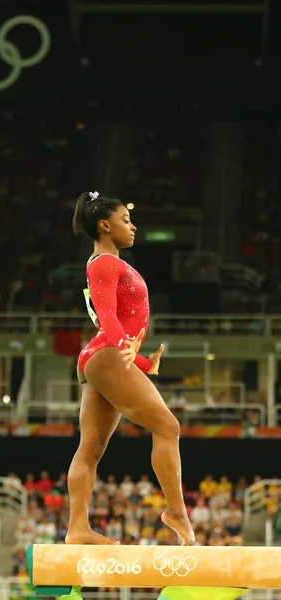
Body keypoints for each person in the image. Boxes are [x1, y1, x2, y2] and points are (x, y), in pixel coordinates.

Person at [65, 190, 194, 546]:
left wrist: (139, 359)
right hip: (107, 353)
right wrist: (128, 351)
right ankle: (177, 512)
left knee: (90, 448)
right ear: (105, 226)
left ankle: (77, 529)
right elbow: (107, 316)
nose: (133, 226)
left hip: (101, 356)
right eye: (125, 220)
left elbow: (112, 320)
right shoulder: (104, 263)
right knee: (168, 426)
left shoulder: (108, 263)